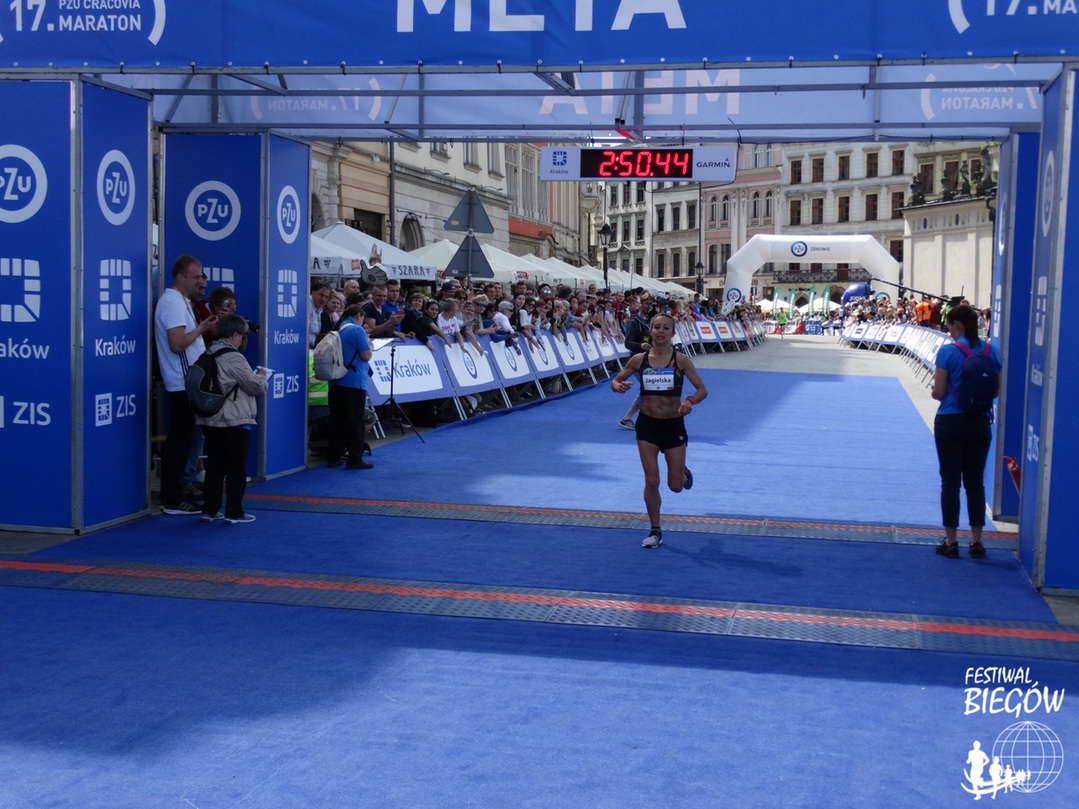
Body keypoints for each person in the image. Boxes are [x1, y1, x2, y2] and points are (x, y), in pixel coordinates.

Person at [610, 313, 708, 549]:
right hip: (647, 426)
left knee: (675, 486)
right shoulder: (639, 360)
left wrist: (690, 402)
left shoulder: (681, 360)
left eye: (665, 328)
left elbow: (702, 390)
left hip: (673, 425)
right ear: (651, 331)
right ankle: (655, 529)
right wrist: (618, 386)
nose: (660, 331)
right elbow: (615, 381)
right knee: (651, 480)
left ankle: (683, 472)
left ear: (672, 333)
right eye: (656, 327)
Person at [931, 304, 1002, 559]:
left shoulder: (948, 352)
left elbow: (939, 392)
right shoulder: (991, 352)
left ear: (957, 325)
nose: (948, 330)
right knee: (975, 483)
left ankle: (951, 541)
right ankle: (977, 540)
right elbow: (995, 391)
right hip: (979, 422)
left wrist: (935, 391)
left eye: (949, 325)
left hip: (950, 421)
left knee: (950, 482)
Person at [153, 255, 217, 515]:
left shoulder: (181, 301)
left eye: (201, 276)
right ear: (180, 278)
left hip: (187, 381)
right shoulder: (172, 302)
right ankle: (171, 498)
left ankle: (176, 492)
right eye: (195, 276)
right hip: (182, 382)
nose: (201, 281)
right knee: (180, 441)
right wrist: (201, 328)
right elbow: (177, 343)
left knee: (185, 439)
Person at [196, 315, 268, 524]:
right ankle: (234, 511)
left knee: (215, 465)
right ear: (235, 335)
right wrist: (262, 375)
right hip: (233, 417)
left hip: (209, 415)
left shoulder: (208, 351)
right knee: (236, 466)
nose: (243, 339)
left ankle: (209, 510)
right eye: (243, 335)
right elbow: (254, 386)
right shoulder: (233, 357)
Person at [328, 304, 375, 469]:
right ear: (359, 315)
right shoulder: (356, 330)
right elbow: (366, 355)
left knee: (337, 421)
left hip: (335, 380)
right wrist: (370, 346)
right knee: (354, 421)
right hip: (353, 380)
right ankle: (355, 458)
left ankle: (334, 457)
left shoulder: (337, 329)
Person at [309, 282, 332, 348]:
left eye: (326, 297)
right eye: (321, 295)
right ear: (313, 293)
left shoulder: (319, 310)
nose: (323, 299)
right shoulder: (306, 306)